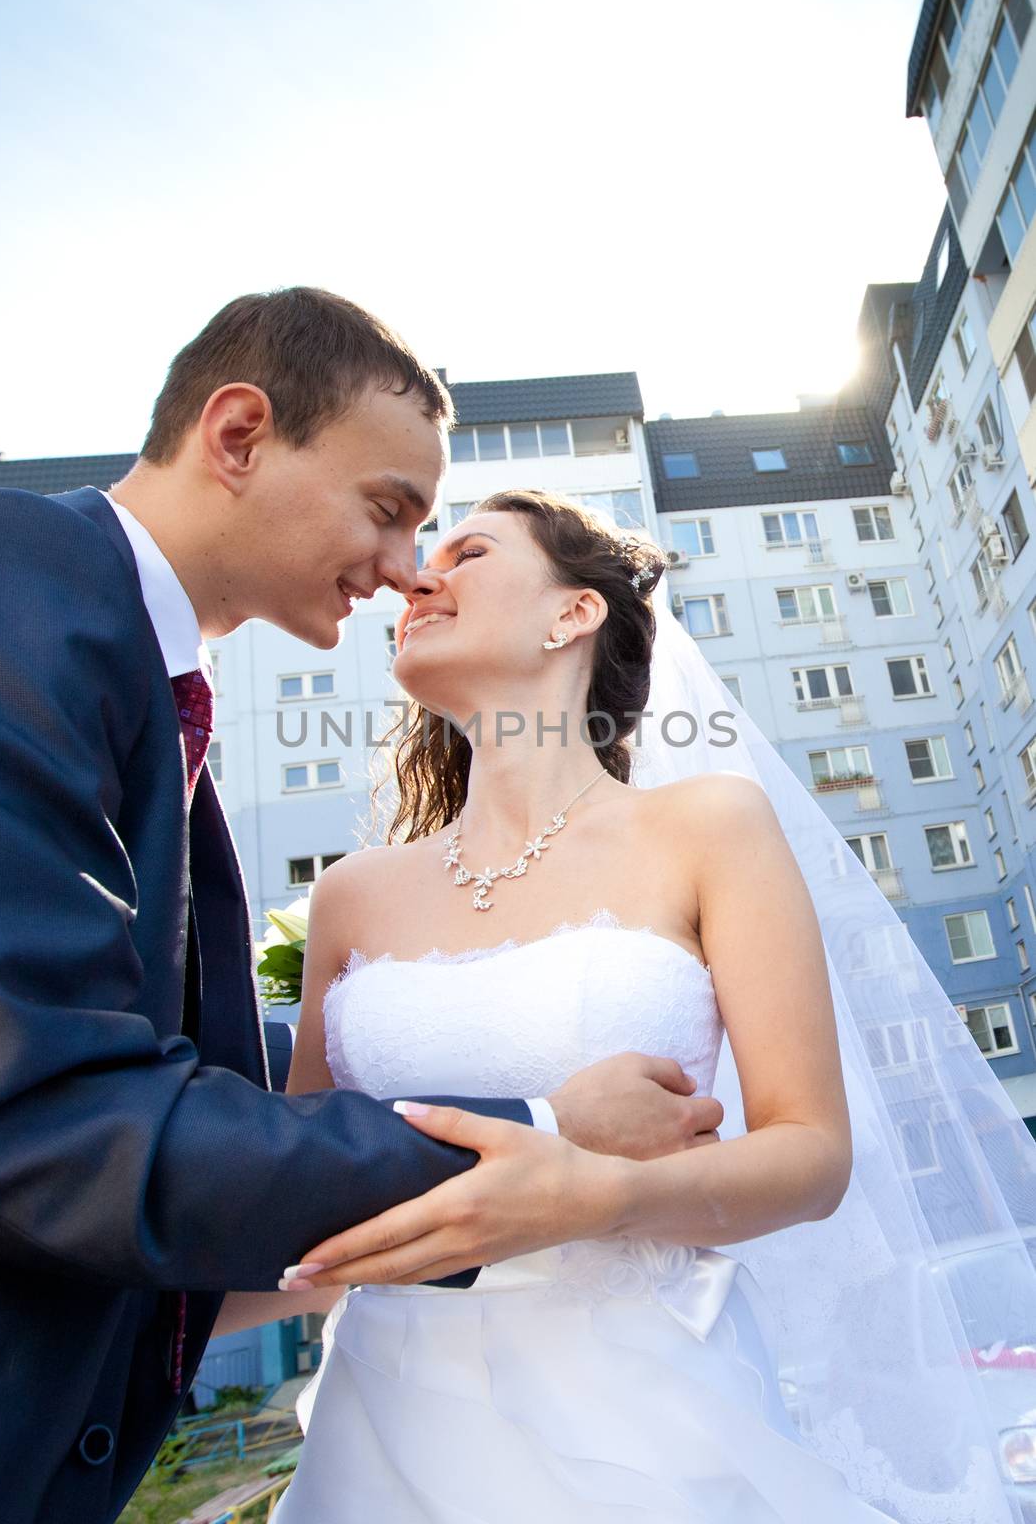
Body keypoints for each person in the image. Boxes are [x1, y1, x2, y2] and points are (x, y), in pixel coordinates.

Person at [0, 290, 721, 1524]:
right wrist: (541, 1122)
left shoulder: (151, 701)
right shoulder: (9, 593)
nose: (403, 571)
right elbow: (46, 1113)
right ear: (238, 434)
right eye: (389, 511)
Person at [260, 490, 1036, 1523]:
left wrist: (595, 1194)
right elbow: (293, 1196)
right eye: (417, 558)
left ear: (571, 614)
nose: (413, 575)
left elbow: (809, 1154)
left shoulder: (707, 825)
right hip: (389, 1425)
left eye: (468, 550)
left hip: (649, 1418)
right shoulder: (353, 891)